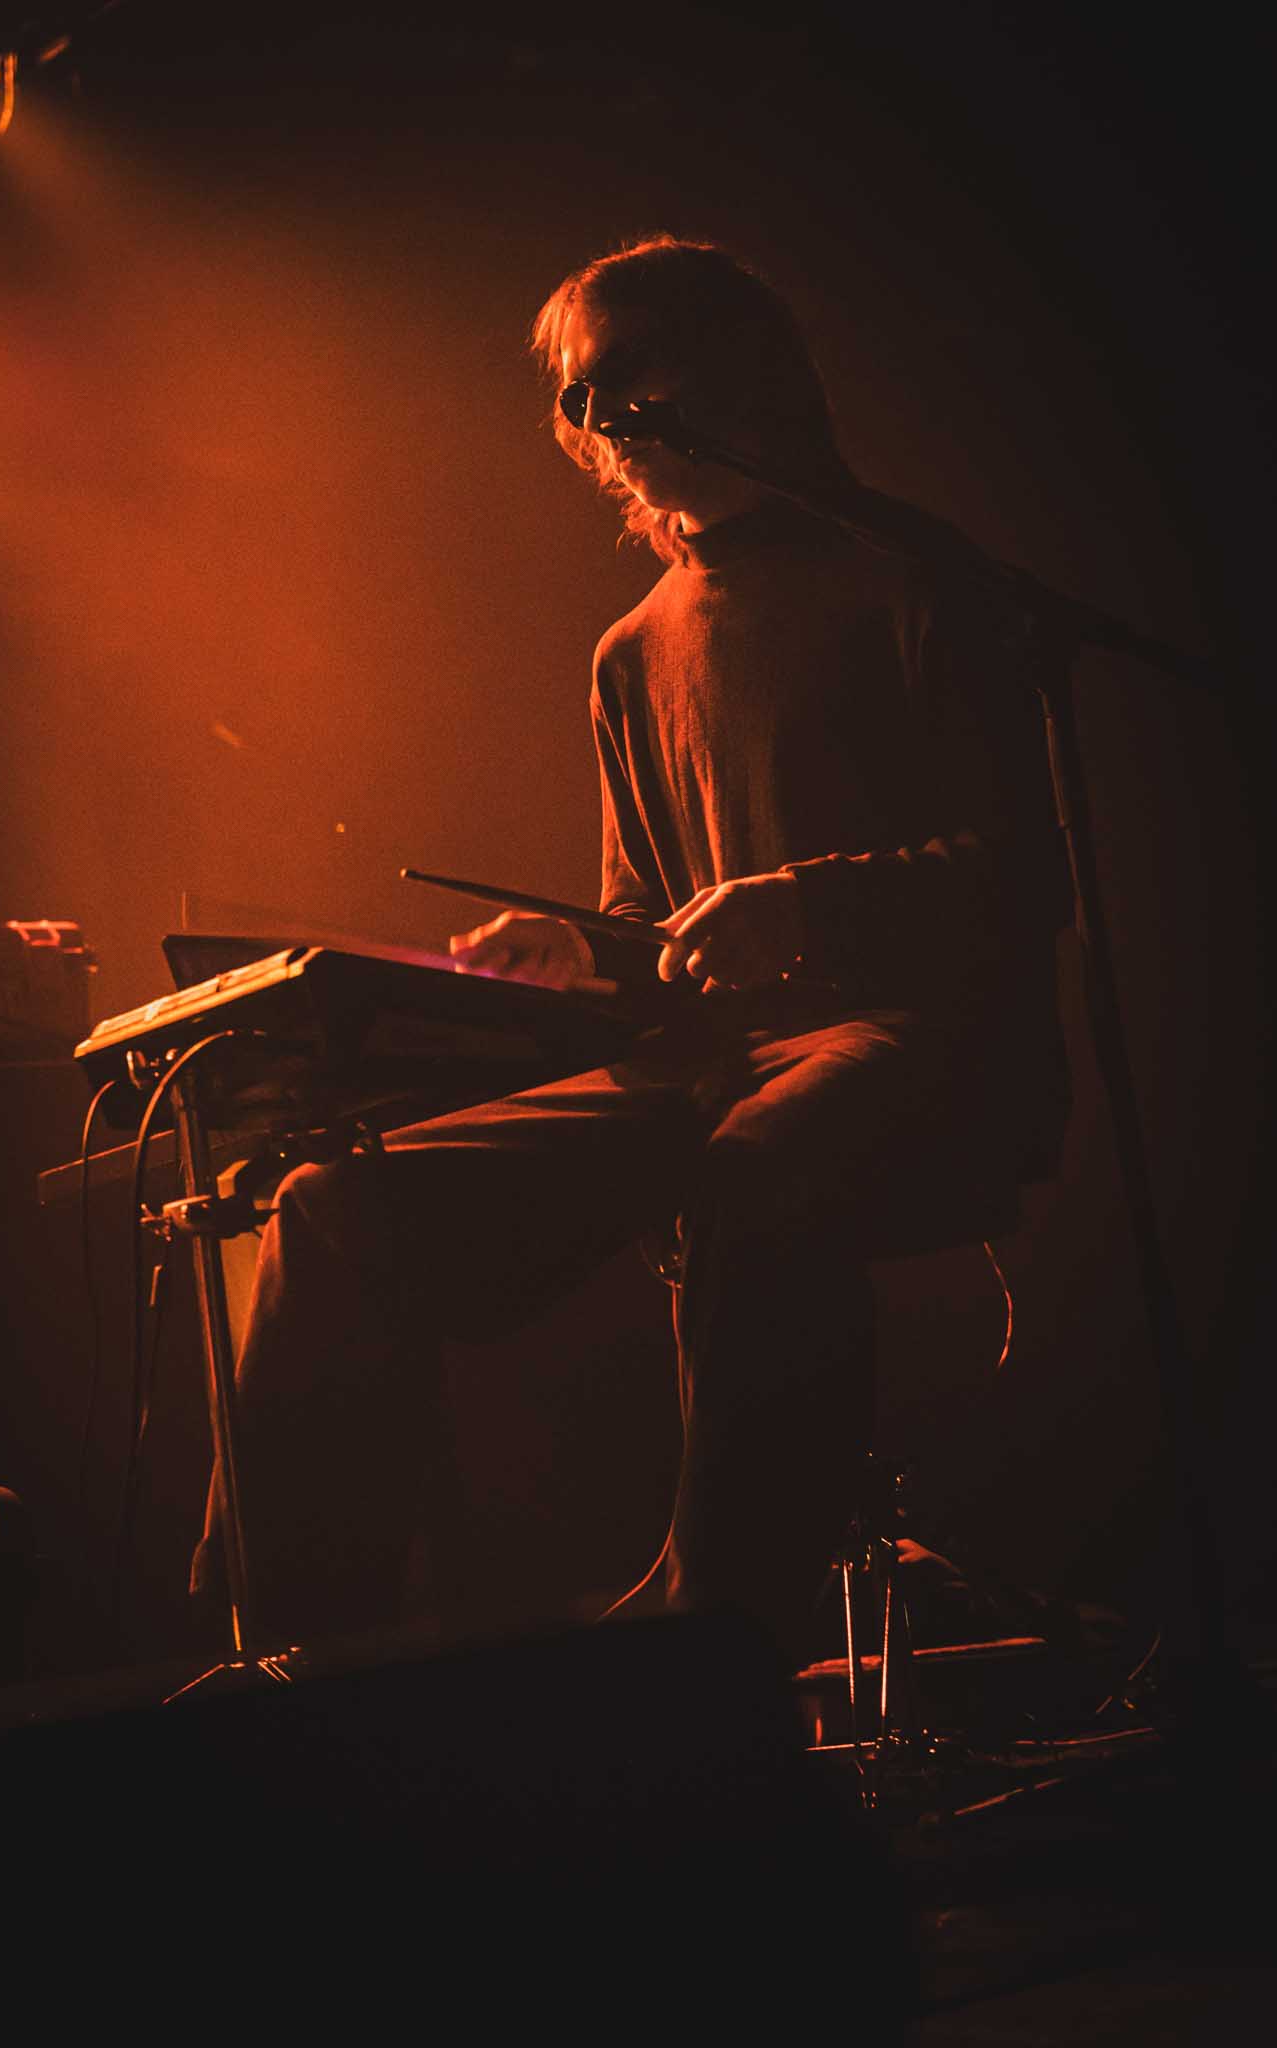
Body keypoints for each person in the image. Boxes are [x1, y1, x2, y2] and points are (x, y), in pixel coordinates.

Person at [193, 235, 1072, 1668]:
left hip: (914, 1035)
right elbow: (649, 936)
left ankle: (716, 1641)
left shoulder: (913, 576)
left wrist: (804, 904)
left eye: (625, 376)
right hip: (711, 1060)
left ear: (737, 370)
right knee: (330, 1205)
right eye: (575, 394)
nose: (597, 418)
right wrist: (577, 951)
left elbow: (1029, 874)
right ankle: (296, 1673)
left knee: (754, 1168)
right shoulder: (628, 650)